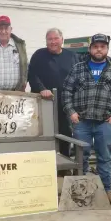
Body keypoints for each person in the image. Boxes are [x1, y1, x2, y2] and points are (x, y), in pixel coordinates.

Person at [62, 33, 111, 205]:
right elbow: (66, 91)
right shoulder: (78, 68)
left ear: (107, 49)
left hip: (105, 123)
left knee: (105, 157)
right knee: (81, 156)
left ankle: (106, 189)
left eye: (102, 47)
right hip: (82, 122)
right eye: (95, 46)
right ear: (90, 48)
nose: (99, 49)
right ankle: (79, 190)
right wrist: (71, 112)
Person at [28, 28, 79, 158]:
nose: (53, 42)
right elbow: (32, 75)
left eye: (56, 38)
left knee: (65, 133)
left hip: (65, 104)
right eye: (50, 39)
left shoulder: (72, 56)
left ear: (62, 39)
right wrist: (41, 88)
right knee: (43, 133)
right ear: (46, 41)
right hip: (44, 102)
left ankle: (64, 163)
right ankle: (43, 161)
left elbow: (78, 77)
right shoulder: (39, 55)